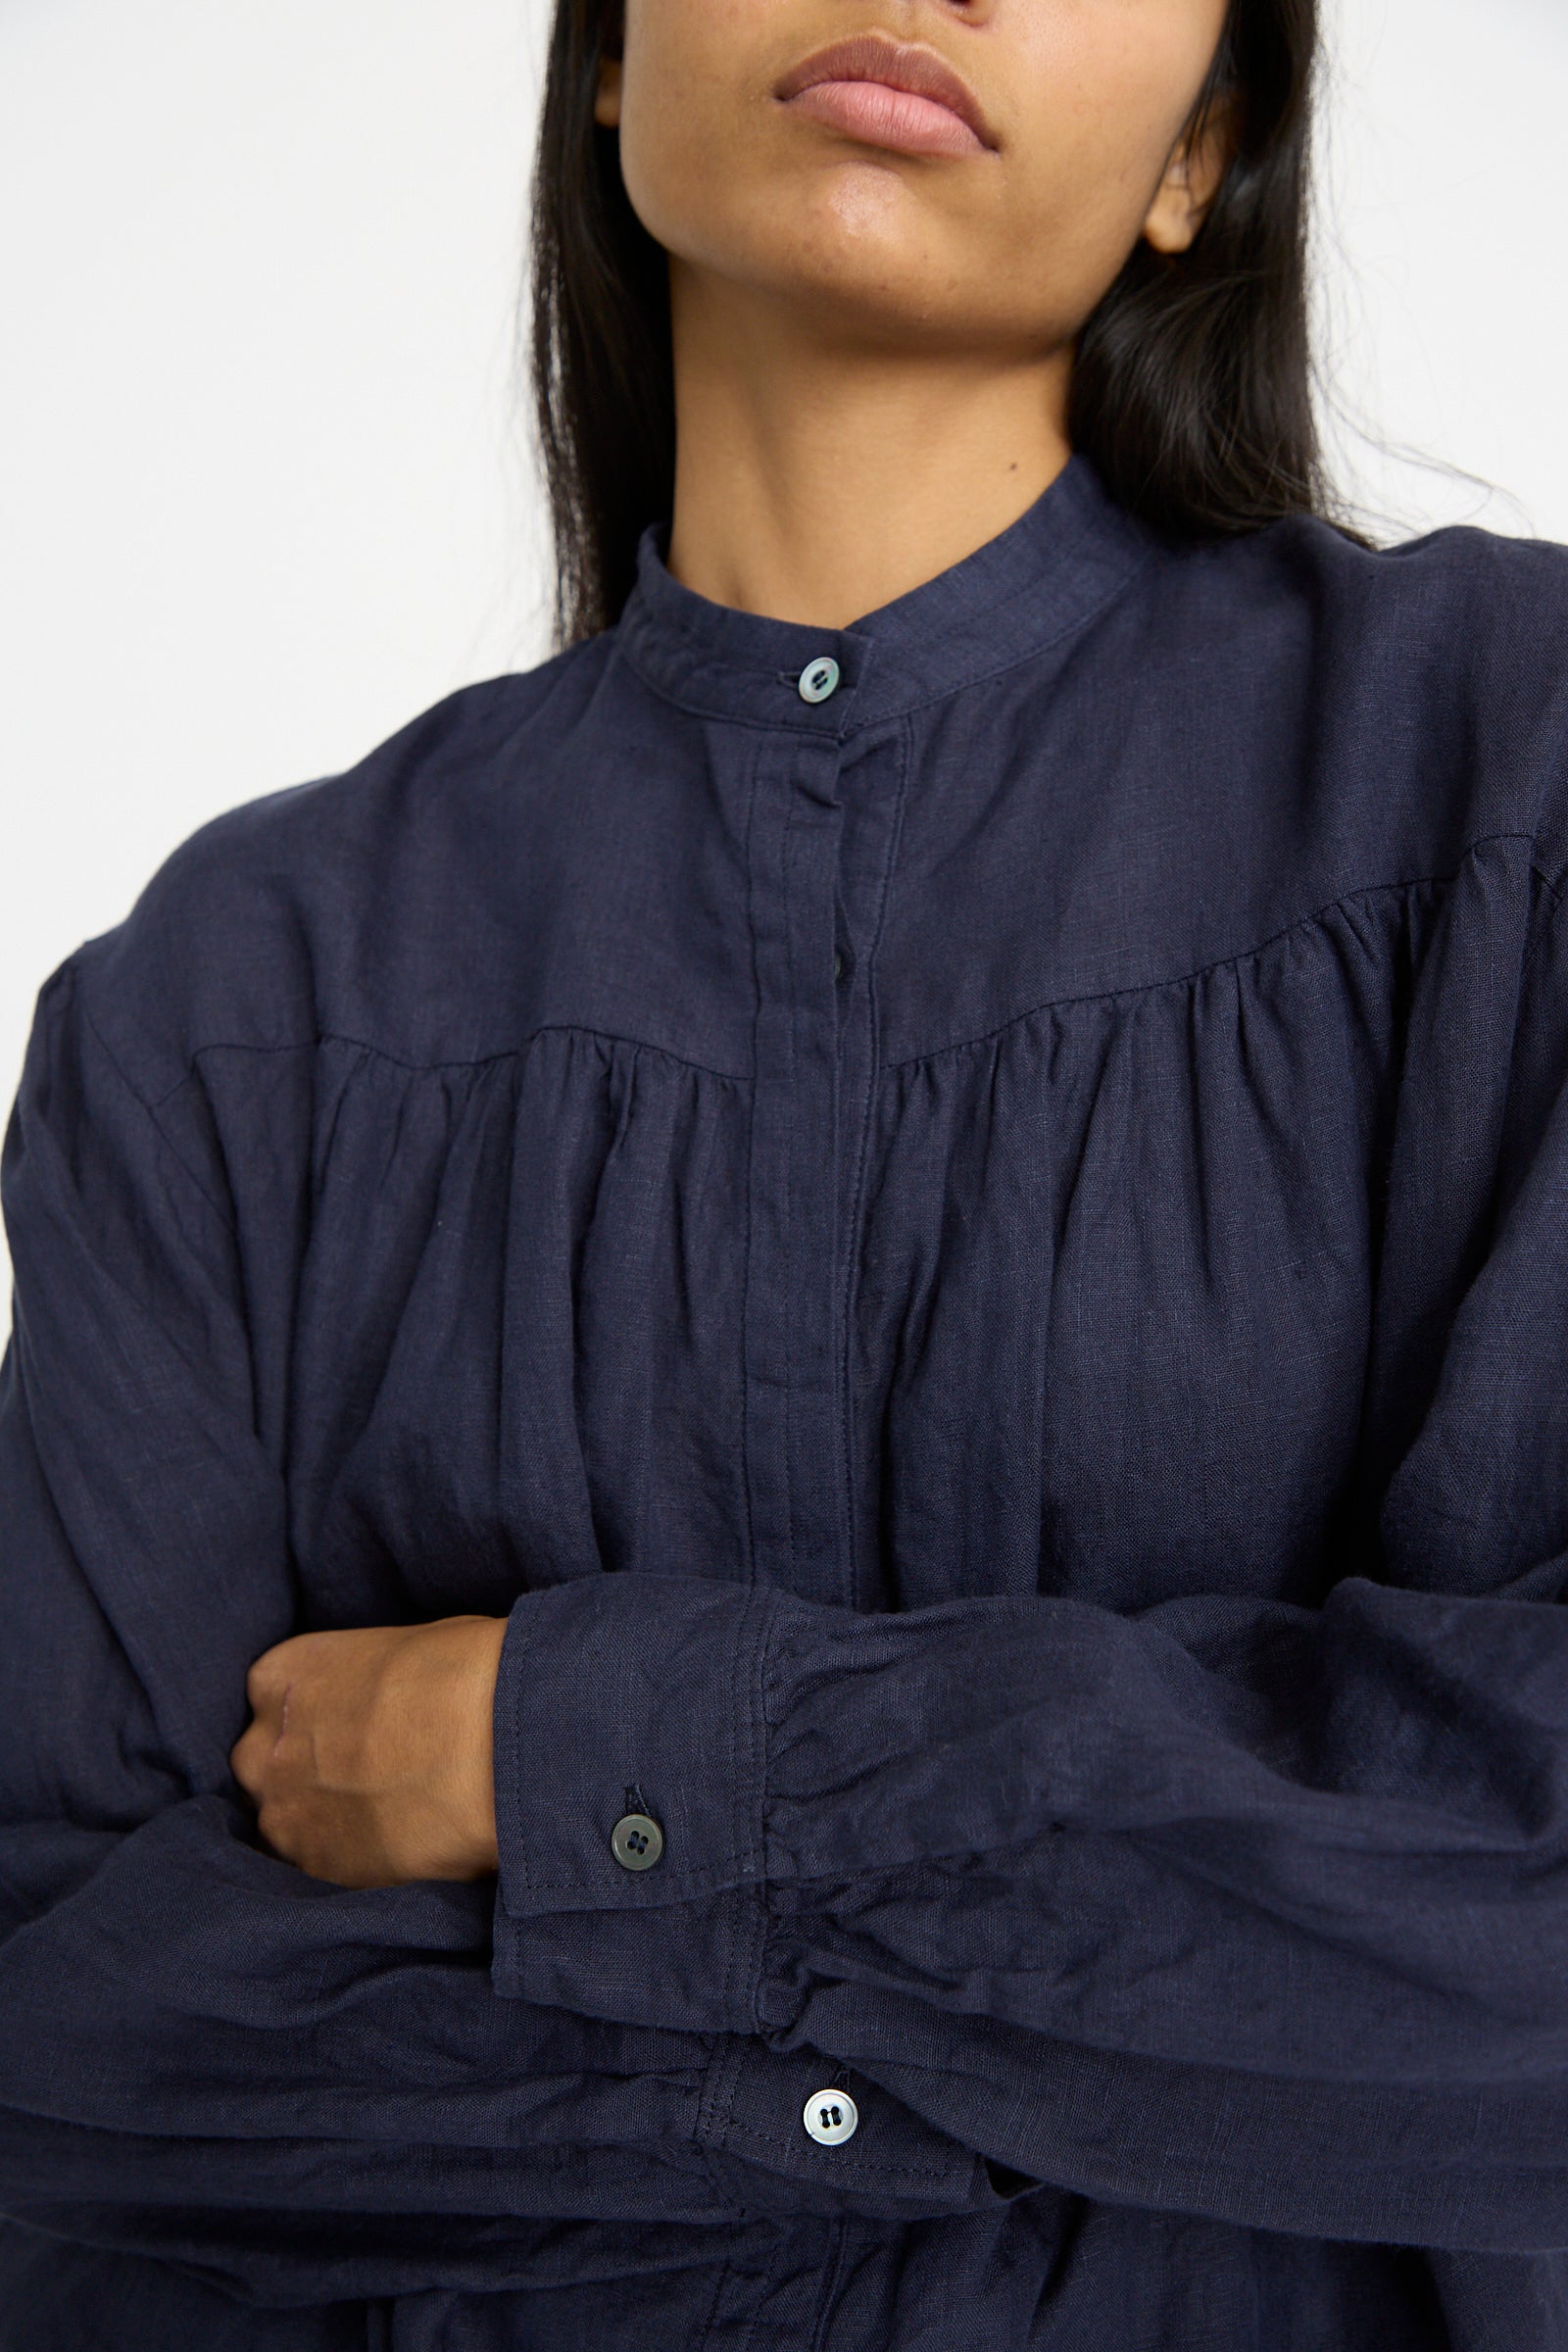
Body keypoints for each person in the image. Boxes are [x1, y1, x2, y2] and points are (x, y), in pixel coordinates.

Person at [3, 0, 1568, 2343]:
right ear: (612, 58)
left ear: (1199, 151)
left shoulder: (1506, 789)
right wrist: (1122, 2053)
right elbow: (77, 2048)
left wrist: (588, 1763)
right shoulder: (224, 1001)